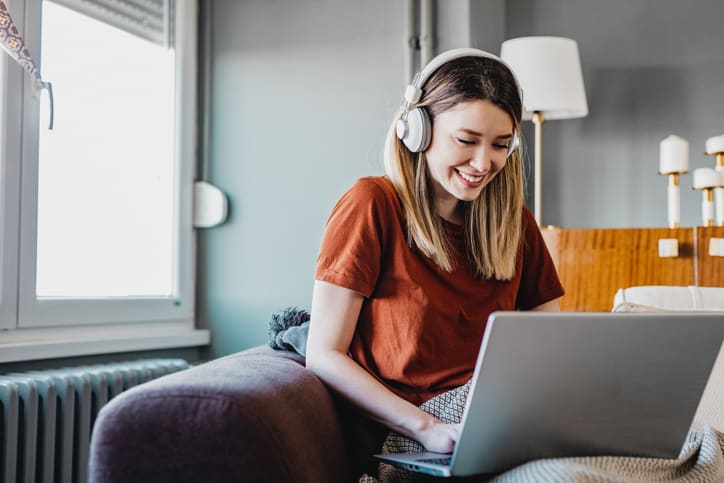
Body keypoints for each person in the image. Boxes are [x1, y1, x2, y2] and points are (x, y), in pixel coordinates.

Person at [305, 48, 564, 479]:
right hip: (418, 430)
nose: (484, 164)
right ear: (417, 129)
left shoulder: (515, 223)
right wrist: (429, 429)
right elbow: (324, 354)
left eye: (501, 145)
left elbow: (552, 345)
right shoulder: (371, 204)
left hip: (502, 417)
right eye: (466, 141)